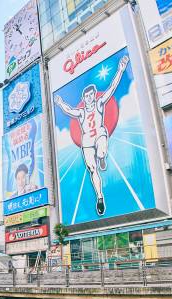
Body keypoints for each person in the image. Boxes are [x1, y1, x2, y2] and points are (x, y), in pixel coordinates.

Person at [53, 55, 129, 216]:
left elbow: (112, 88)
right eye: (86, 96)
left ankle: (102, 157)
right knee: (92, 169)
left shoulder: (100, 103)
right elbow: (68, 110)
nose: (89, 98)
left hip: (100, 134)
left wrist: (120, 70)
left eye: (91, 95)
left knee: (101, 150)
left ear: (94, 95)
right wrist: (59, 103)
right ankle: (100, 197)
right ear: (83, 98)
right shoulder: (81, 112)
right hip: (87, 141)